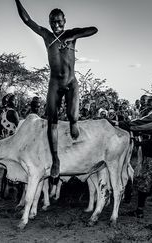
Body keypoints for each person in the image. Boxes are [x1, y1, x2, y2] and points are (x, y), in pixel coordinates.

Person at [15, 0, 98, 178]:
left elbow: (93, 30)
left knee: (72, 116)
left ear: (64, 20)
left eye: (59, 21)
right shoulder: (47, 35)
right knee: (51, 121)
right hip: (54, 83)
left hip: (71, 82)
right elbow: (27, 20)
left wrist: (70, 38)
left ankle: (74, 122)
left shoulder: (71, 33)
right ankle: (55, 160)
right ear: (49, 22)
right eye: (53, 22)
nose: (56, 25)